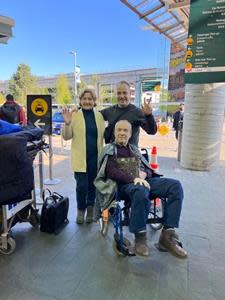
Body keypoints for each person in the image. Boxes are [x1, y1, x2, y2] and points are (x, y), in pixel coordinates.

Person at [95, 120, 187, 258]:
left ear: (130, 134)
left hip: (143, 181)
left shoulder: (134, 149)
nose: (122, 133)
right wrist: (133, 179)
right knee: (140, 191)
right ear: (114, 132)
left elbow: (148, 168)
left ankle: (167, 235)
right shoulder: (109, 149)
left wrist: (143, 175)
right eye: (119, 130)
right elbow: (111, 171)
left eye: (125, 130)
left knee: (175, 186)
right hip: (124, 186)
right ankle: (140, 236)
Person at [62, 89, 105, 224]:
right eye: (84, 98)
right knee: (81, 186)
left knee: (93, 185)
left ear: (94, 101)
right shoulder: (75, 115)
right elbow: (66, 136)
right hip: (80, 158)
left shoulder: (99, 116)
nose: (87, 101)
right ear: (80, 101)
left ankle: (91, 208)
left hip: (95, 158)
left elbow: (104, 135)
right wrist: (67, 123)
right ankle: (81, 209)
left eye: (90, 99)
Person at [100, 81, 157, 145]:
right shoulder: (109, 111)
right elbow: (95, 116)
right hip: (112, 153)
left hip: (130, 154)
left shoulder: (137, 112)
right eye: (119, 93)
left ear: (130, 94)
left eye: (125, 93)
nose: (121, 96)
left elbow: (152, 131)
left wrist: (149, 115)